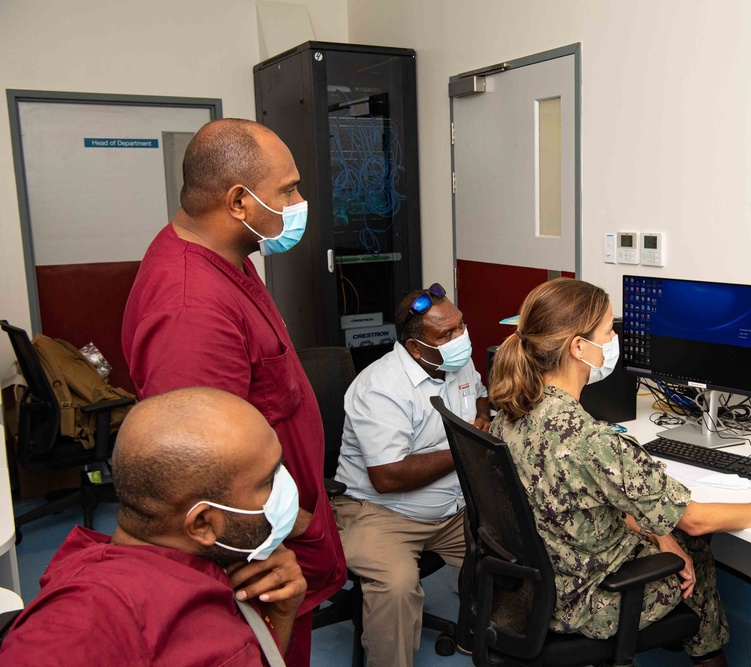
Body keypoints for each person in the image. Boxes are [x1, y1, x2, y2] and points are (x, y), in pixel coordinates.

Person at [488, 278, 751, 667]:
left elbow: (581, 498)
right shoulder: (592, 441)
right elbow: (697, 521)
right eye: (608, 331)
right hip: (588, 602)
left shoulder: (512, 411)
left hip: (540, 586)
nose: (613, 340)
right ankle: (709, 659)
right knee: (697, 550)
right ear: (578, 347)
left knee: (674, 540)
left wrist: (660, 534)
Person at [121, 118, 346, 665]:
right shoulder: (190, 309)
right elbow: (201, 480)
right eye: (288, 189)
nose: (300, 200)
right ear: (240, 202)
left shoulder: (231, 259)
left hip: (286, 538)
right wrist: (291, 528)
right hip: (258, 560)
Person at [0, 387, 307, 666]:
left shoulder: (212, 565)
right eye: (270, 479)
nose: (286, 486)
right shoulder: (89, 618)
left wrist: (279, 614)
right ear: (202, 524)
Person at [332, 283, 489, 667]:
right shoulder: (381, 388)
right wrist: (466, 442)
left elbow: (480, 392)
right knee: (397, 587)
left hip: (452, 509)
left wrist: (482, 415)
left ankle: (479, 636)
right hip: (380, 512)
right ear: (416, 348)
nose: (460, 337)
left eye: (461, 325)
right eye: (447, 333)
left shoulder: (454, 361)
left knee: (513, 549)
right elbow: (387, 476)